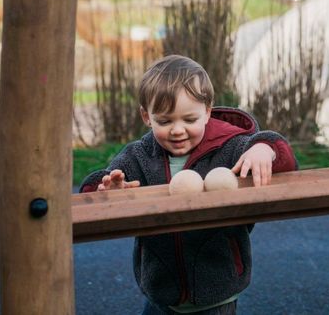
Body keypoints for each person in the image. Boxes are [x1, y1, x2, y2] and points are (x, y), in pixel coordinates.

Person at [80, 54, 297, 315]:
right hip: (161, 291)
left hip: (217, 290)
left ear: (207, 112)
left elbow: (284, 159)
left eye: (189, 120)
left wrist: (264, 148)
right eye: (165, 121)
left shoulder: (229, 147)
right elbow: (92, 188)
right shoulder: (139, 156)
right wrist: (107, 189)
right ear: (147, 116)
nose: (177, 130)